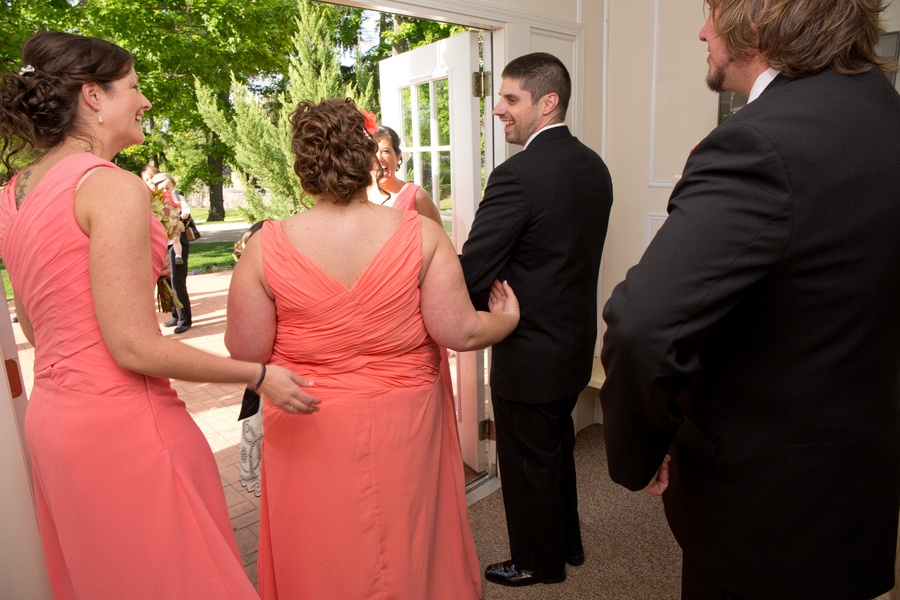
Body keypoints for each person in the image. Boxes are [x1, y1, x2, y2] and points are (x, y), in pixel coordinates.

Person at [0, 30, 317, 600]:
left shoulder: (14, 194)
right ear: (93, 96)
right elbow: (134, 347)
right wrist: (258, 374)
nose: (144, 100)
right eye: (134, 87)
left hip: (54, 425)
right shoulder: (109, 187)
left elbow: (32, 324)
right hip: (123, 426)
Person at [599, 1, 900, 598]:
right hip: (855, 481)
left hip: (766, 508)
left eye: (713, 12)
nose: (702, 31)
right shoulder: (882, 112)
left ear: (757, 20)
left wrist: (641, 448)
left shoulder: (759, 142)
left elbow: (643, 324)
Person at [225, 97, 520, 600]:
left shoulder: (264, 247)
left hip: (308, 416)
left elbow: (247, 348)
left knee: (321, 545)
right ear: (367, 161)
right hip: (404, 421)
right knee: (406, 537)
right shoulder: (421, 235)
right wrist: (508, 318)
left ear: (303, 168)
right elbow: (461, 332)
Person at [459, 52, 613, 587]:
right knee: (554, 449)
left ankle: (536, 561)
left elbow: (475, 267)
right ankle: (566, 544)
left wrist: (452, 295)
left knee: (529, 462)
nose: (498, 108)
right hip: (573, 344)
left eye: (511, 98)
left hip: (528, 350)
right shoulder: (594, 166)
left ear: (548, 103)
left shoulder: (517, 176)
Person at [150, 172, 192, 333]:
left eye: (168, 187)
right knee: (167, 279)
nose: (166, 190)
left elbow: (184, 214)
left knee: (177, 281)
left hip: (177, 243)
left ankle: (184, 319)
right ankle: (175, 314)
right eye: (162, 188)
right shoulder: (154, 201)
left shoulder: (176, 198)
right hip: (163, 244)